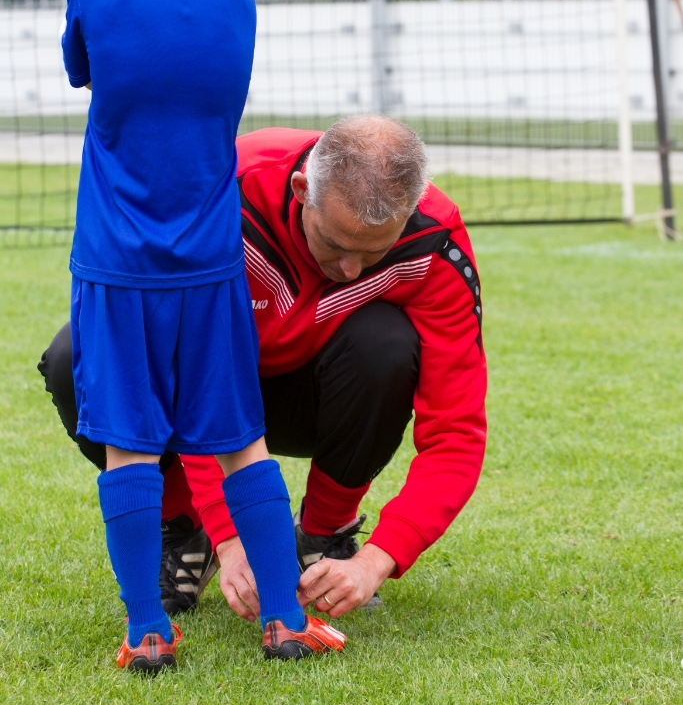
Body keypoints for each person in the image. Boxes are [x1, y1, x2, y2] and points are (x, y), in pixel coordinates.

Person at [59, 0, 344, 672]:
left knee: (129, 443)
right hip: (213, 257)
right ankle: (286, 617)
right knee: (239, 437)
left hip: (117, 261)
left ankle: (147, 629)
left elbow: (83, 67)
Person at [40, 116, 487, 624]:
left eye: (373, 251)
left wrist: (377, 560)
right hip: (205, 384)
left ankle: (324, 536)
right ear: (302, 191)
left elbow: (456, 433)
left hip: (316, 396)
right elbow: (182, 367)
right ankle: (186, 530)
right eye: (336, 244)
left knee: (385, 344)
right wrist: (230, 537)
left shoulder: (434, 243)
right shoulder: (220, 196)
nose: (352, 271)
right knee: (80, 355)